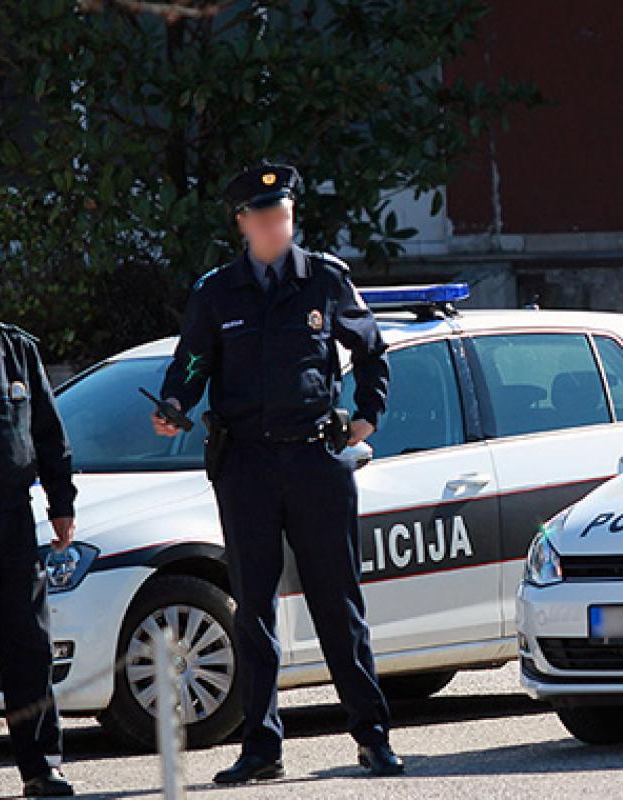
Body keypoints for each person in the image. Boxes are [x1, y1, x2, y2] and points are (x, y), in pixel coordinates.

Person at [152, 164, 402, 783]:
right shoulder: (218, 292)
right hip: (247, 465)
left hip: (317, 460)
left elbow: (372, 349)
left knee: (338, 603)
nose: (275, 228)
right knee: (253, 610)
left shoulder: (325, 279)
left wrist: (368, 415)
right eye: (264, 219)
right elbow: (191, 363)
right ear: (242, 223)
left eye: (283, 217)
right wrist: (175, 404)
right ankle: (262, 747)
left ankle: (372, 737)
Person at [0, 226, 77, 797]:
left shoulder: (16, 351)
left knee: (29, 652)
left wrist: (62, 504)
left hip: (12, 523)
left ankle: (42, 767)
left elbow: (49, 436)